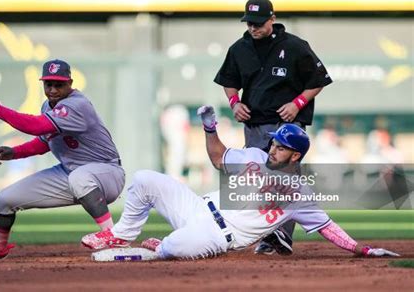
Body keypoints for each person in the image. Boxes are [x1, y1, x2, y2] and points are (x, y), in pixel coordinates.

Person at [80, 106, 398, 260]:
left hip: (217, 235)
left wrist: (363, 249)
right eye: (275, 142)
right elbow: (218, 158)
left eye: (282, 146)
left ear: (295, 156)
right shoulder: (254, 157)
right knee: (144, 179)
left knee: (174, 247)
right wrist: (208, 127)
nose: (274, 147)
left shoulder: (299, 194)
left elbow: (328, 227)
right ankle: (122, 235)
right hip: (196, 208)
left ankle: (160, 248)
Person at [0, 59, 125, 259]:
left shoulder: (77, 104)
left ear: (70, 83)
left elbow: (35, 126)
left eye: (59, 84)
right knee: (3, 200)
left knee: (80, 177)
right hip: (71, 174)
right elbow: (44, 142)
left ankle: (114, 235)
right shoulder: (48, 105)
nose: (53, 89)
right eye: (49, 84)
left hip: (106, 173)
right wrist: (14, 152)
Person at [213, 0, 333, 254]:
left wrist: (297, 103)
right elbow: (229, 80)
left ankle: (281, 234)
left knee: (286, 180)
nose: (253, 28)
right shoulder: (239, 48)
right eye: (249, 23)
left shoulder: (295, 46)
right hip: (255, 124)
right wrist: (234, 102)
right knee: (258, 179)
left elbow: (318, 80)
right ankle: (266, 232)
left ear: (272, 19)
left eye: (258, 23)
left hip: (287, 124)